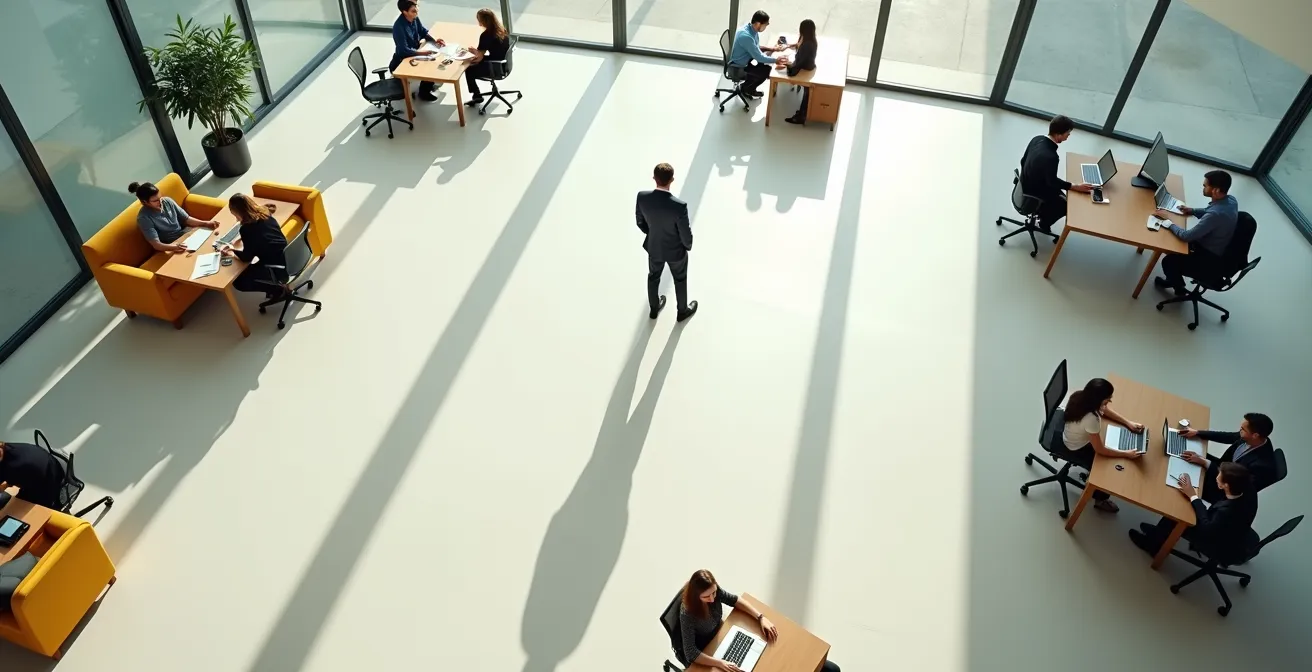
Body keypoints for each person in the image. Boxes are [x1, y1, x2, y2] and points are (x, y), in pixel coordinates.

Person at [675, 569, 840, 672]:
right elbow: (691, 653)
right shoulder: (687, 614)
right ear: (696, 597)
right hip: (706, 653)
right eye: (707, 596)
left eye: (714, 592)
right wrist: (719, 663)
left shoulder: (714, 593)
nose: (713, 598)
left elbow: (735, 600)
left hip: (721, 639)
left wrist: (761, 617)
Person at [1130, 462, 1258, 559]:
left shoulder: (1227, 512)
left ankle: (1152, 546)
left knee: (1178, 513)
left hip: (1215, 539)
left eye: (1219, 477)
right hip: (1232, 529)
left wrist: (1193, 495)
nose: (1216, 477)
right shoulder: (1247, 489)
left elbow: (1207, 527)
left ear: (1226, 485)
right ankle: (1158, 533)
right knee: (1189, 504)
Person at [1060, 377, 1144, 513]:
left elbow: (1104, 410)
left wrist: (1128, 423)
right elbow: (1099, 450)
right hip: (1076, 447)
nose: (1109, 401)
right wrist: (1126, 454)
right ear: (1097, 399)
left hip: (1070, 434)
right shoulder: (1091, 419)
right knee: (1109, 468)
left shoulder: (1079, 396)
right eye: (1107, 399)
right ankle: (1100, 500)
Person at [1153, 169, 1239, 294]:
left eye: (1205, 186)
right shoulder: (1231, 200)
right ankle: (1176, 280)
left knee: (1169, 261)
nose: (1203, 188)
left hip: (1208, 257)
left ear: (1215, 190)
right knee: (1171, 246)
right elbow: (1209, 210)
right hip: (1220, 247)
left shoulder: (1215, 215)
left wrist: (1168, 222)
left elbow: (1186, 236)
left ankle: (1178, 287)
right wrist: (1192, 210)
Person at [636, 163, 698, 322]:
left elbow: (640, 222)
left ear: (654, 179)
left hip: (654, 247)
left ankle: (654, 309)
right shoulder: (679, 206)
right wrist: (687, 246)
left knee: (653, 277)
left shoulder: (642, 197)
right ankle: (682, 311)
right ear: (672, 180)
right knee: (680, 279)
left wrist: (653, 234)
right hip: (676, 251)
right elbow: (685, 233)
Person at [1178, 413, 1278, 503]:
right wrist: (1197, 433)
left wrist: (1204, 462)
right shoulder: (1254, 437)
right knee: (1186, 457)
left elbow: (1231, 482)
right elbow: (1227, 437)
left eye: (1243, 429)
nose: (1239, 431)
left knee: (1180, 486)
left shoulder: (1261, 465)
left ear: (1255, 435)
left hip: (1221, 487)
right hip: (1220, 468)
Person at [1019, 115, 1093, 232]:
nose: (1068, 136)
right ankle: (1043, 224)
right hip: (1033, 193)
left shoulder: (1037, 139)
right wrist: (1075, 186)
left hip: (1024, 182)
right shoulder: (1051, 157)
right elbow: (1052, 182)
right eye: (1067, 133)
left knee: (1061, 195)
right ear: (1059, 134)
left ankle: (1043, 215)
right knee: (1065, 205)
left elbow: (1023, 161)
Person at [218, 194, 290, 296]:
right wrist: (240, 238)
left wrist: (231, 250)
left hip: (277, 268)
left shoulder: (246, 229)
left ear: (237, 212)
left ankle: (278, 290)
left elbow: (247, 258)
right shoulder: (266, 213)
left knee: (239, 282)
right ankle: (277, 287)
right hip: (289, 256)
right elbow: (261, 234)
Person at [128, 181, 219, 253]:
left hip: (184, 234)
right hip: (170, 245)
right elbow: (157, 245)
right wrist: (174, 247)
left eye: (160, 197)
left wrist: (206, 223)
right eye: (155, 201)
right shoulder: (144, 218)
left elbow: (186, 219)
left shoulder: (167, 201)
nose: (160, 201)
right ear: (144, 202)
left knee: (213, 242)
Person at [391, 0, 446, 102]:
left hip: (415, 53)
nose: (416, 12)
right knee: (430, 64)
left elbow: (422, 31)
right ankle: (424, 93)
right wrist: (423, 53)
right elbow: (403, 50)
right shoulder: (398, 27)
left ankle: (427, 85)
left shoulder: (414, 18)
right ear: (404, 12)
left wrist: (435, 40)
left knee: (436, 60)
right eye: (413, 11)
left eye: (416, 9)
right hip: (402, 60)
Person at [730, 10, 789, 98]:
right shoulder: (746, 36)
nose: (765, 27)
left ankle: (746, 86)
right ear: (758, 24)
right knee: (766, 71)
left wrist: (773, 49)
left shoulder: (751, 29)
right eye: (765, 25)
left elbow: (756, 47)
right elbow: (759, 57)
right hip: (738, 67)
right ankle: (748, 89)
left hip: (746, 60)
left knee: (764, 64)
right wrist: (776, 60)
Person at [462, 8, 510, 108]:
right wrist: (478, 52)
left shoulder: (486, 35)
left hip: (495, 67)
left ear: (483, 21)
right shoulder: (502, 30)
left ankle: (477, 95)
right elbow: (484, 52)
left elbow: (478, 58)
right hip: (504, 63)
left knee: (469, 69)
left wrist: (467, 58)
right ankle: (476, 94)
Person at [0, 440, 66, 510]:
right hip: (54, 467)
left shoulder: (11, 467)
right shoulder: (7, 447)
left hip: (48, 487)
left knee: (13, 511)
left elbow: (9, 474)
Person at [780, 19, 818, 125]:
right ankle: (802, 113)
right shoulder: (808, 39)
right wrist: (788, 46)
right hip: (808, 66)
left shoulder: (808, 45)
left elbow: (800, 63)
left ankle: (801, 116)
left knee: (778, 72)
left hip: (805, 69)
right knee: (806, 91)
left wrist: (787, 64)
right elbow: (798, 45)